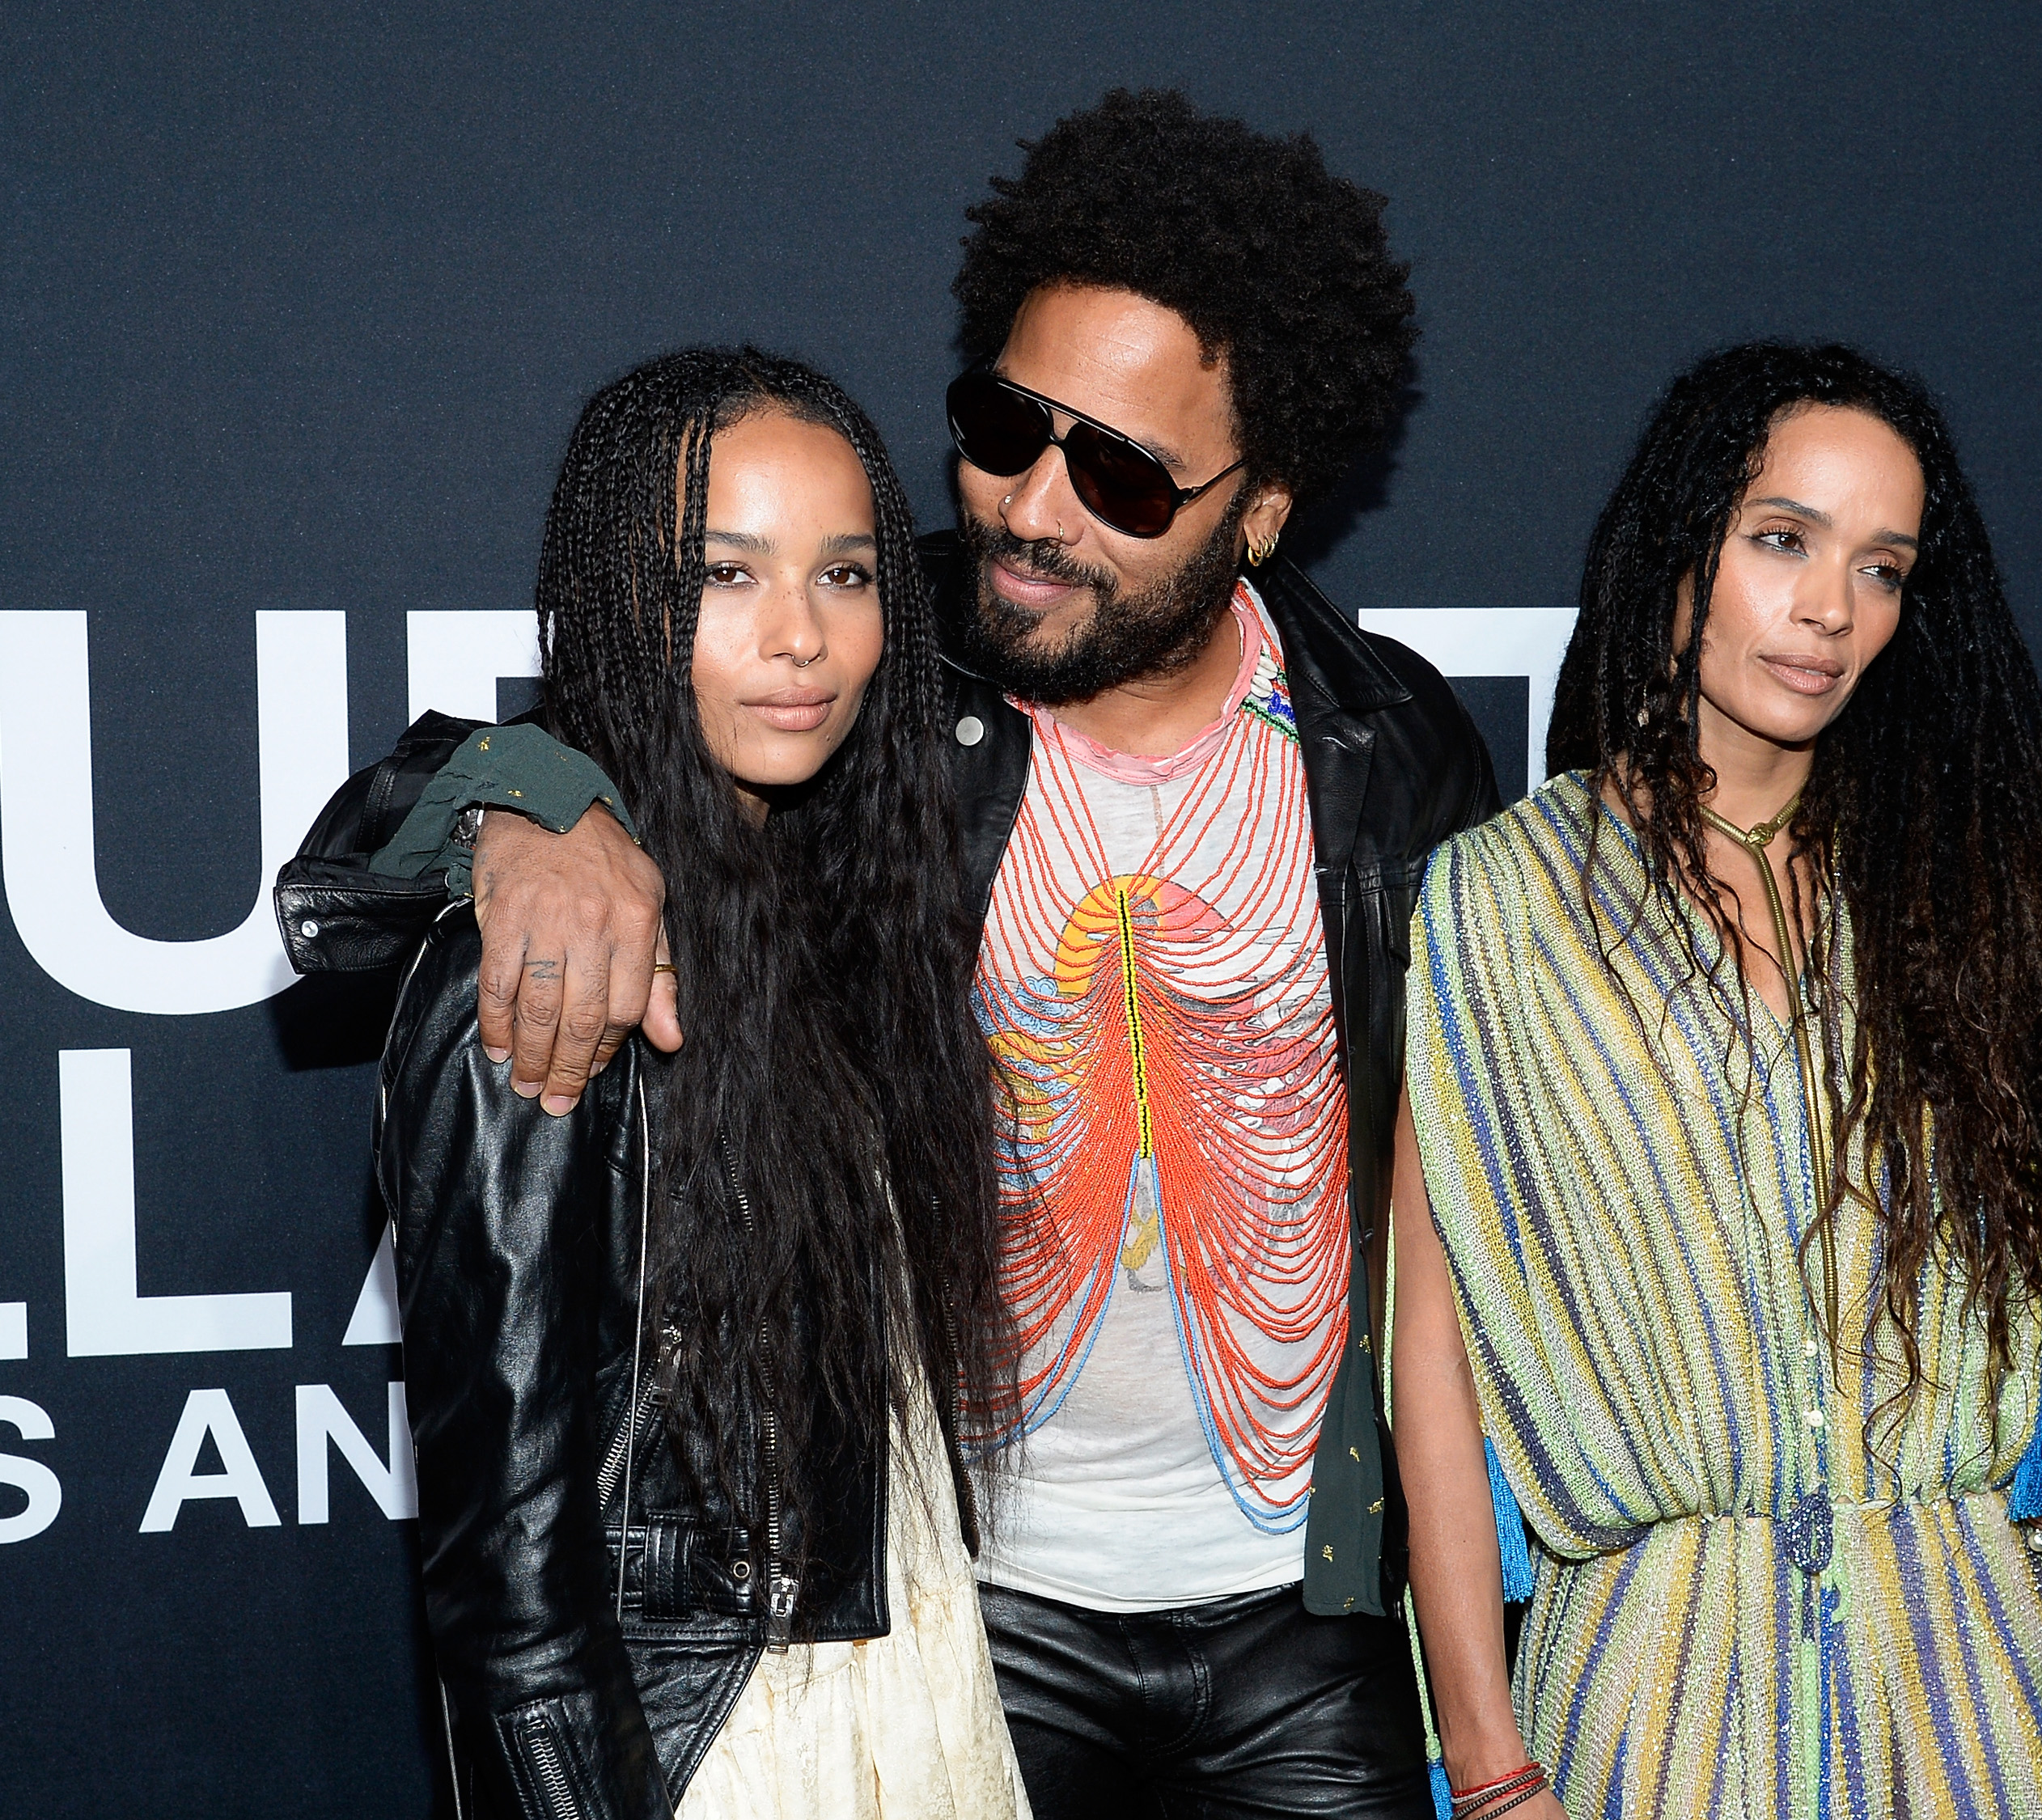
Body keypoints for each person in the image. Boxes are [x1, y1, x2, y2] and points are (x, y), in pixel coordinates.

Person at [280, 92, 1497, 1818]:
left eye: (1126, 473)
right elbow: (389, 843)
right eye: (1007, 427)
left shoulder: (1396, 749)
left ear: (1263, 511)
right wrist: (522, 804)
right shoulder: (874, 663)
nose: (1033, 507)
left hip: (1302, 1606)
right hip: (968, 1596)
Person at [1387, 344, 2042, 1820]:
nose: (1830, 610)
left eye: (1882, 569)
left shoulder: (1959, 886)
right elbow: (1434, 1375)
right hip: (1651, 1696)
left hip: (1966, 1688)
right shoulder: (1498, 904)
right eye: (1783, 540)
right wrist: (1488, 1769)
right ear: (1683, 543)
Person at [369, 347, 1028, 1818]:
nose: (802, 637)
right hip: (707, 1735)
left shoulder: (850, 893)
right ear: (625, 597)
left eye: (846, 575)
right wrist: (508, 802)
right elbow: (511, 1582)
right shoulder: (557, 953)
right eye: (727, 576)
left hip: (909, 1685)